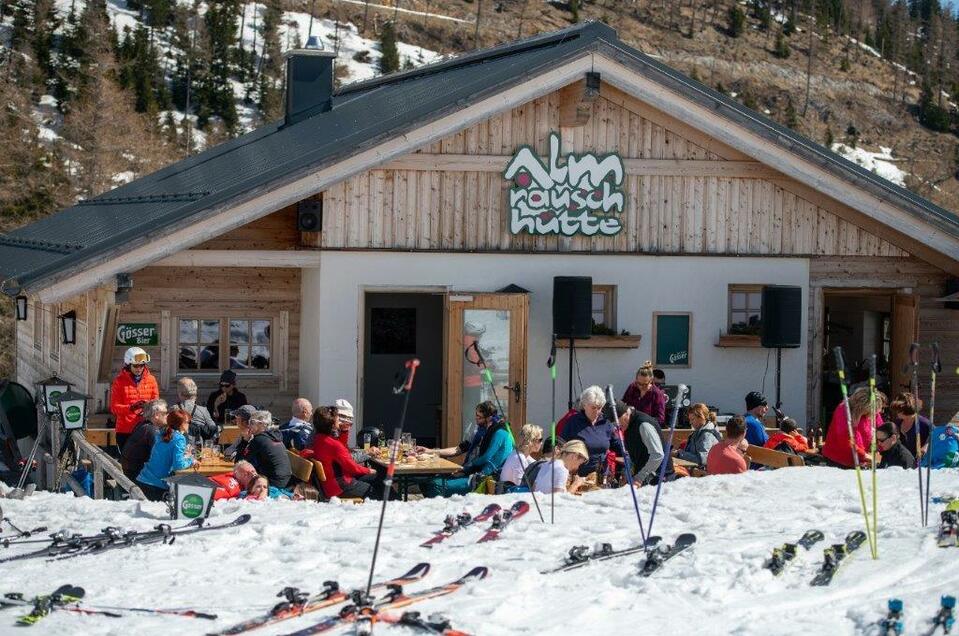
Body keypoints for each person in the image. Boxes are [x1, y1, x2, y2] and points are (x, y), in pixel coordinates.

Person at [422, 406, 514, 497]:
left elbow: (486, 458)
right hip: (470, 471)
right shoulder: (479, 433)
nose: (476, 419)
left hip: (483, 477)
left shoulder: (499, 432)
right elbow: (458, 449)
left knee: (434, 485)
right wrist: (430, 451)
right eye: (476, 415)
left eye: (479, 417)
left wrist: (465, 469)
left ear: (489, 418)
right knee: (425, 481)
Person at [311, 405, 378, 499]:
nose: (340, 420)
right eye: (338, 417)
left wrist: (344, 431)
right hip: (340, 486)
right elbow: (351, 466)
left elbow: (341, 452)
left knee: (377, 478)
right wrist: (368, 470)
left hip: (329, 484)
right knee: (376, 489)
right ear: (332, 423)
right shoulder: (333, 444)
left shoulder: (319, 438)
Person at [561, 386, 624, 479]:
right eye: (593, 408)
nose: (597, 411)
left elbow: (619, 447)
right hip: (579, 477)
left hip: (602, 476)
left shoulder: (606, 423)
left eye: (599, 408)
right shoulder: (573, 422)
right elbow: (562, 446)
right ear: (584, 405)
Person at [136, 409, 195, 502]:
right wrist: (192, 461)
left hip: (144, 480)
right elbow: (178, 465)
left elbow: (165, 455)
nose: (189, 425)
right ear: (181, 424)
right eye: (188, 422)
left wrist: (184, 456)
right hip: (156, 486)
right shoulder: (179, 438)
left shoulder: (161, 434)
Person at [611, 401, 672, 485]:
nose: (617, 427)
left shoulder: (643, 424)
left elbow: (657, 455)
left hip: (659, 479)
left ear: (625, 414)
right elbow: (634, 455)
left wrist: (639, 478)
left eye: (618, 423)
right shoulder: (629, 425)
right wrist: (626, 473)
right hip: (645, 476)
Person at [109, 347, 160, 449]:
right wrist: (131, 408)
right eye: (136, 366)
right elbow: (114, 408)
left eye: (142, 365)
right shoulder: (119, 381)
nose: (139, 369)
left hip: (146, 428)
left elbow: (157, 404)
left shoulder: (151, 379)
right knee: (128, 462)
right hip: (125, 430)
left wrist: (148, 408)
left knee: (146, 461)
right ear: (128, 365)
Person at [821, 388, 880, 469]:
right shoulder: (843, 410)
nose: (871, 414)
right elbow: (844, 441)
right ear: (862, 407)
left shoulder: (867, 413)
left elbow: (879, 427)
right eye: (870, 410)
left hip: (859, 460)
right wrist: (864, 455)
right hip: (838, 461)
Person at [238, 410, 292, 489]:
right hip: (285, 481)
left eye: (252, 422)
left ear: (261, 424)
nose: (249, 425)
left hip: (273, 484)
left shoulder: (259, 440)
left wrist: (245, 441)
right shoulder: (274, 436)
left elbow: (240, 462)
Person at [120, 400, 167, 482]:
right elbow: (160, 456)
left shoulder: (142, 425)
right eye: (165, 413)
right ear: (156, 415)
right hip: (138, 477)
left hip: (130, 473)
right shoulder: (151, 430)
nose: (167, 415)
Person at [674, 403, 721, 467]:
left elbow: (703, 460)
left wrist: (678, 454)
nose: (690, 422)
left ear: (701, 417)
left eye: (692, 419)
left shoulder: (707, 435)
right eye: (689, 420)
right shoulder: (698, 432)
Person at [173, 377, 218, 442]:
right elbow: (213, 429)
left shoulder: (173, 409)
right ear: (195, 393)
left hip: (177, 446)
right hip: (197, 447)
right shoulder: (203, 410)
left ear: (180, 394)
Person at [890, 392, 931, 460]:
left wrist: (925, 447)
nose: (896, 412)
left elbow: (937, 437)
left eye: (898, 410)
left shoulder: (924, 423)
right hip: (901, 461)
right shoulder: (897, 423)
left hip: (920, 463)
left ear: (905, 409)